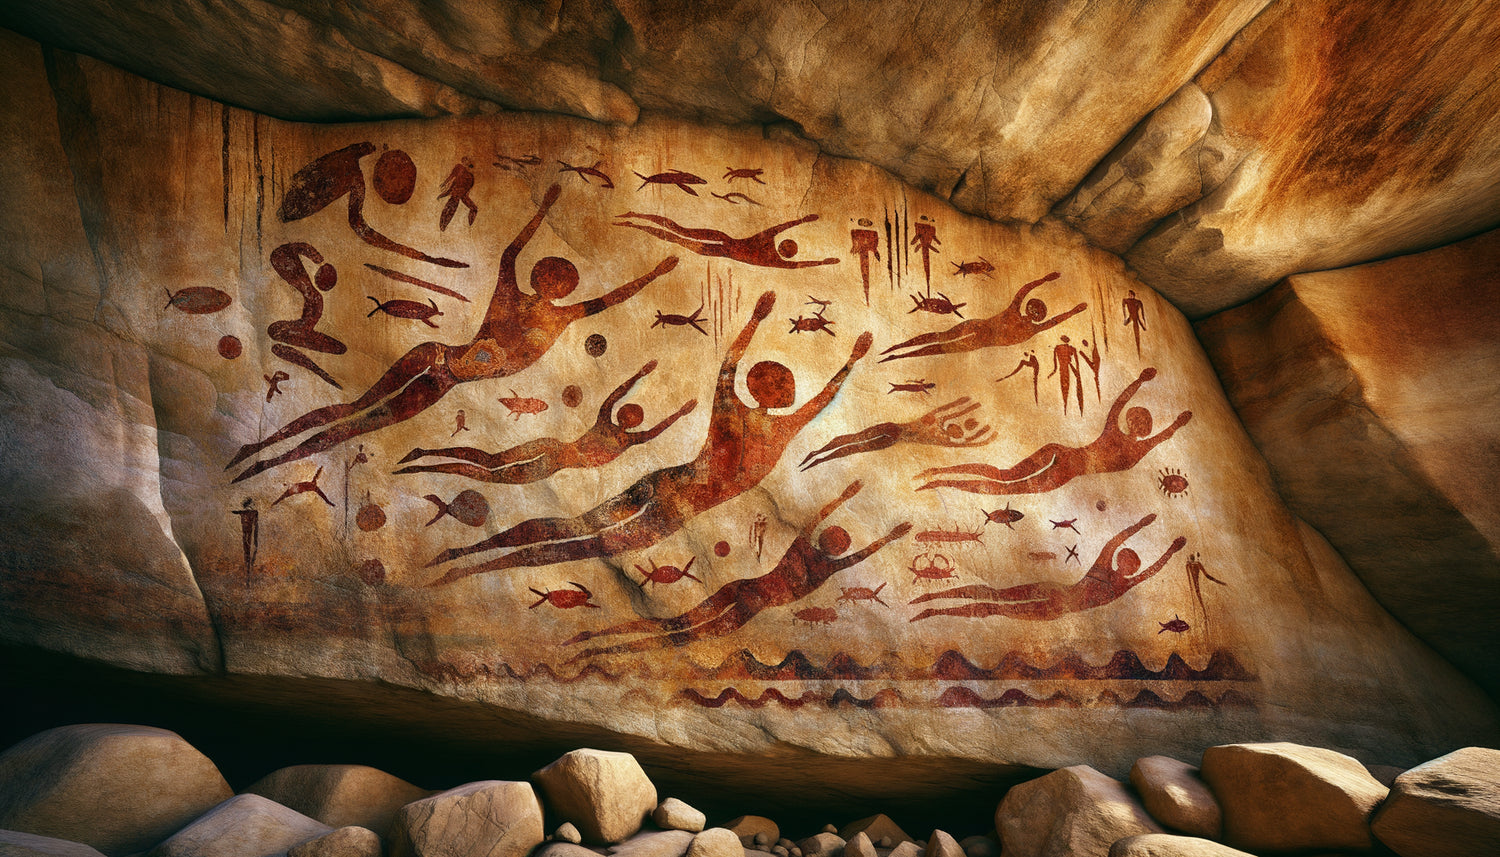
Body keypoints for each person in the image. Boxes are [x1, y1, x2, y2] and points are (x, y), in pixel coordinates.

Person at [227, 184, 677, 484]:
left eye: (562, 282)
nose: (558, 286)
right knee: (359, 407)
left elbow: (612, 298)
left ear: (565, 287)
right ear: (549, 278)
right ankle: (265, 445)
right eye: (556, 278)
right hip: (438, 358)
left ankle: (270, 454)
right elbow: (511, 251)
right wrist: (543, 209)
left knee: (366, 417)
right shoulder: (517, 298)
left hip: (447, 377)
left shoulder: (563, 316)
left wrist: (654, 275)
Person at [424, 291, 873, 583]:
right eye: (786, 384)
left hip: (668, 479)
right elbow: (820, 397)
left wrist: (757, 320)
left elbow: (729, 367)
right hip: (680, 504)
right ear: (781, 392)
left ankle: (478, 550)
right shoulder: (782, 427)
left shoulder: (733, 409)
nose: (791, 390)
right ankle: (485, 560)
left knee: (579, 526)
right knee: (587, 541)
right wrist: (850, 360)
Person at [563, 480, 911, 659]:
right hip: (749, 603)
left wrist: (845, 499)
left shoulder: (805, 549)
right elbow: (859, 554)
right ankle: (605, 647)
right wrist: (887, 537)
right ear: (837, 548)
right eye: (839, 543)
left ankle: (599, 640)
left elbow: (820, 523)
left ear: (826, 541)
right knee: (683, 632)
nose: (837, 545)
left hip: (742, 588)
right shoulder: (824, 568)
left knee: (679, 625)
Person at [395, 361, 697, 484]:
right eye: (632, 415)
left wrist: (641, 377)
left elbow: (617, 398)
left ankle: (424, 455)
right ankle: (424, 463)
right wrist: (678, 412)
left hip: (553, 449)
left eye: (630, 414)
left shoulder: (611, 424)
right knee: (493, 473)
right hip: (554, 460)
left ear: (625, 416)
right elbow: (652, 426)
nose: (629, 417)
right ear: (631, 421)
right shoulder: (627, 438)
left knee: (492, 461)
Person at [915, 367, 1191, 495]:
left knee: (1005, 484)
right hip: (1065, 460)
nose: (1140, 425)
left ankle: (942, 479)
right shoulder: (1118, 436)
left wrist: (1177, 423)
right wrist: (1139, 381)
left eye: (1144, 423)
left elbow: (1160, 435)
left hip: (1065, 465)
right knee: (1005, 479)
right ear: (1133, 422)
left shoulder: (1136, 447)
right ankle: (940, 475)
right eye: (1139, 419)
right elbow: (1119, 405)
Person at [909, 514, 1186, 621]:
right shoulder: (1103, 567)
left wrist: (1171, 552)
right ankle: (932, 597)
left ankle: (937, 609)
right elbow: (1115, 541)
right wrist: (1138, 526)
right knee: (997, 594)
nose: (1127, 567)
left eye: (1131, 566)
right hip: (1056, 592)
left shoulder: (1124, 585)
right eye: (1126, 560)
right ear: (1119, 560)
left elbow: (1151, 572)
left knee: (998, 608)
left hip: (1056, 608)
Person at [879, 271, 1085, 363]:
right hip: (978, 330)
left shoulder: (1030, 328)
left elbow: (1053, 320)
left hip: (980, 338)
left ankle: (899, 353)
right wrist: (1043, 280)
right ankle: (898, 350)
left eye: (1036, 312)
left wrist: (1074, 311)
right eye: (1033, 308)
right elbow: (1023, 293)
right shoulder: (1019, 316)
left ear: (1036, 316)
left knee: (942, 344)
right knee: (941, 339)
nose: (1032, 313)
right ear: (1030, 309)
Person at [799, 397, 993, 470]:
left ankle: (819, 457)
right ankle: (818, 455)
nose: (957, 430)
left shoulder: (938, 432)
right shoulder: (937, 429)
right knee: (856, 442)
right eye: (958, 428)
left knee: (856, 443)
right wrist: (967, 406)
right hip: (893, 432)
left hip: (893, 434)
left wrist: (980, 438)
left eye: (959, 431)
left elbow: (951, 415)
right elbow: (950, 410)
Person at [614, 212, 838, 269]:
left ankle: (636, 221)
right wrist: (822, 262)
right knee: (679, 234)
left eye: (786, 246)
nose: (784, 245)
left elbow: (796, 264)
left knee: (678, 236)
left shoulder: (772, 258)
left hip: (721, 247)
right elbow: (797, 263)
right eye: (787, 244)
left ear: (785, 248)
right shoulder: (770, 255)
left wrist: (803, 221)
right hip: (723, 243)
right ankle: (637, 219)